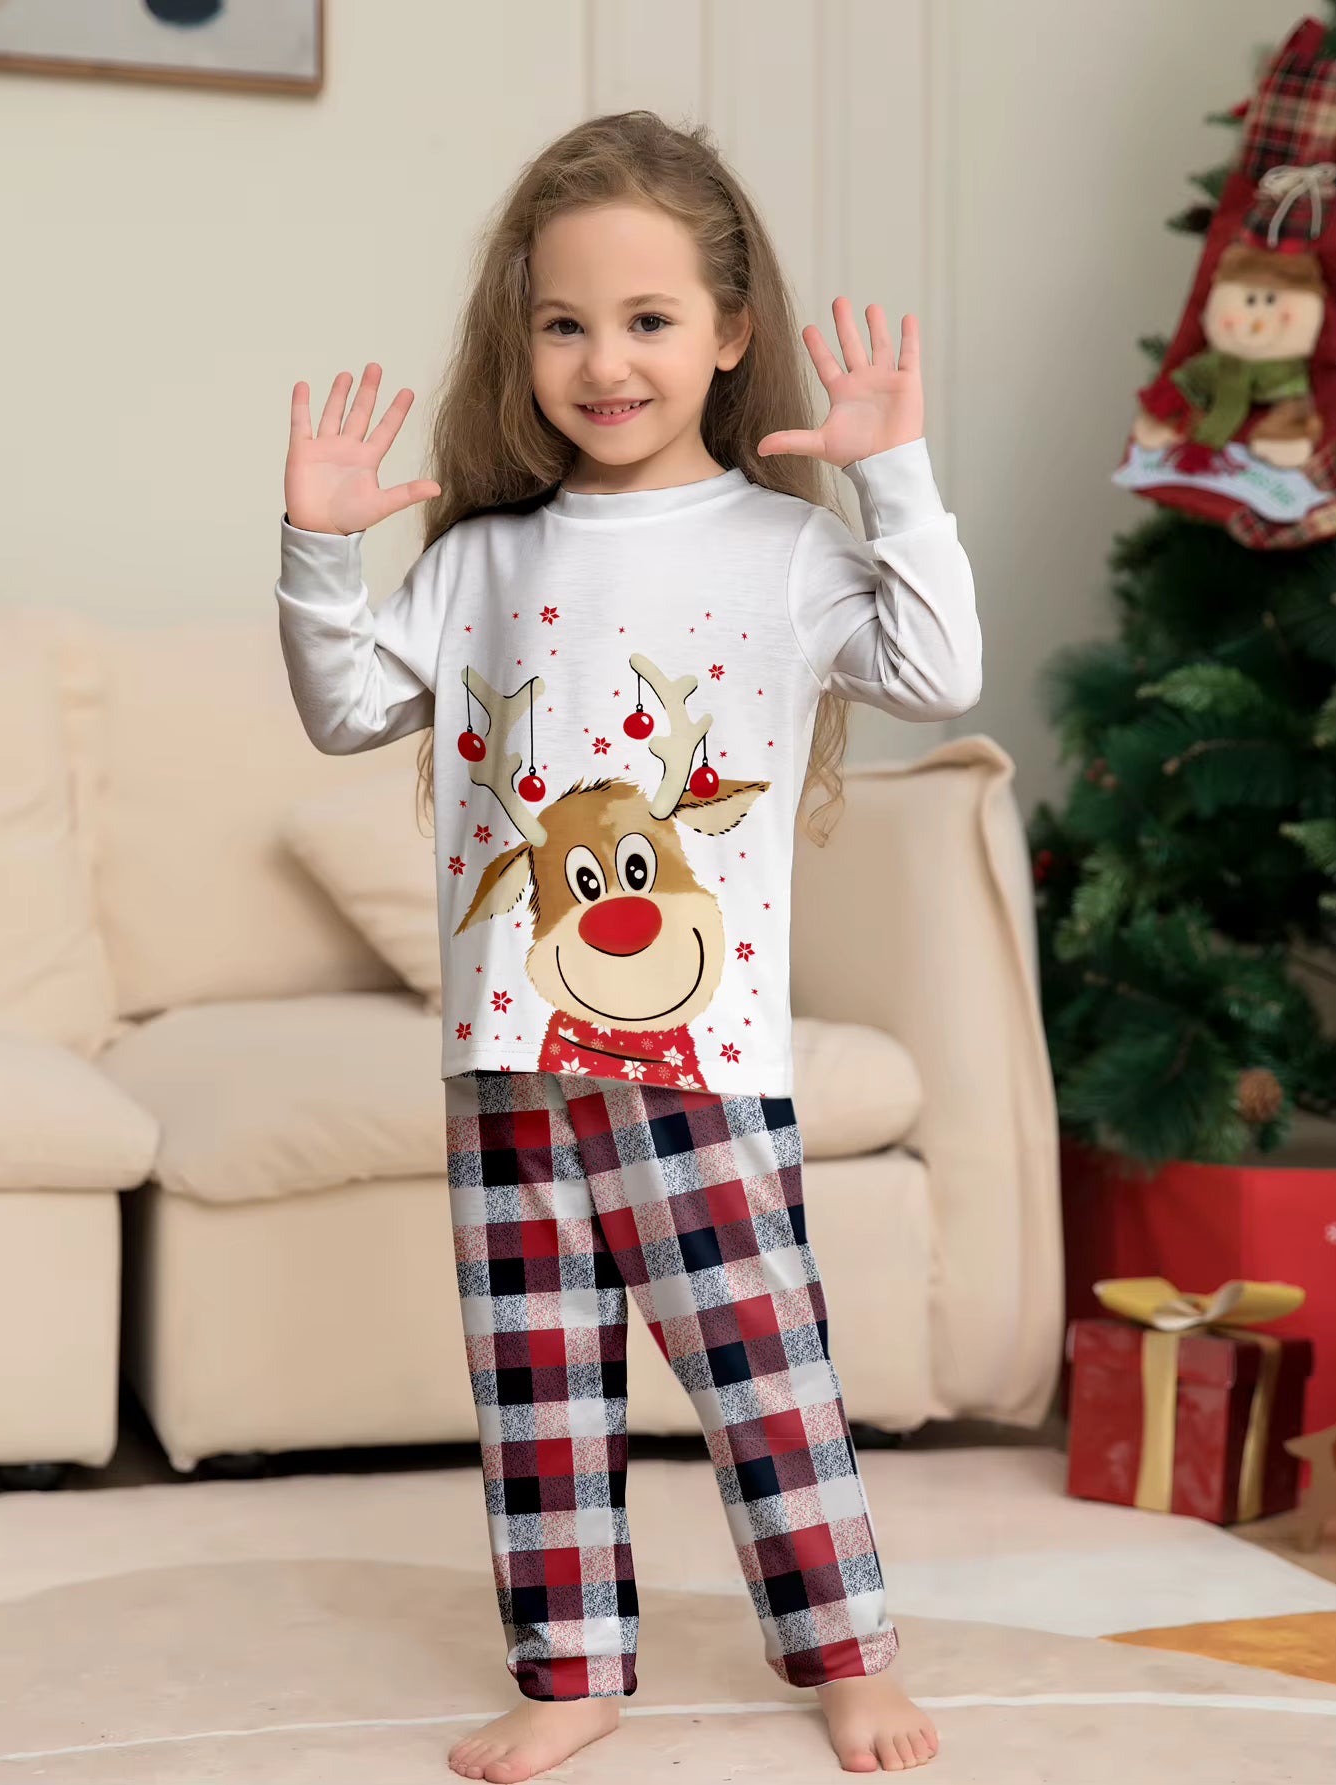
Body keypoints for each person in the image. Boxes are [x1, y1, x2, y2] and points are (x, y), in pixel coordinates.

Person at [275, 109, 979, 1781]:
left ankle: (847, 1654)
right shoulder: (481, 555)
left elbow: (937, 670)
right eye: (564, 323)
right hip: (504, 1046)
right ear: (518, 341)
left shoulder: (786, 547)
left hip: (697, 1050)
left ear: (728, 333)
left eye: (648, 319)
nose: (605, 361)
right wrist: (320, 548)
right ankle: (569, 1667)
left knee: (761, 1373)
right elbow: (344, 709)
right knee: (537, 1380)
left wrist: (891, 475)